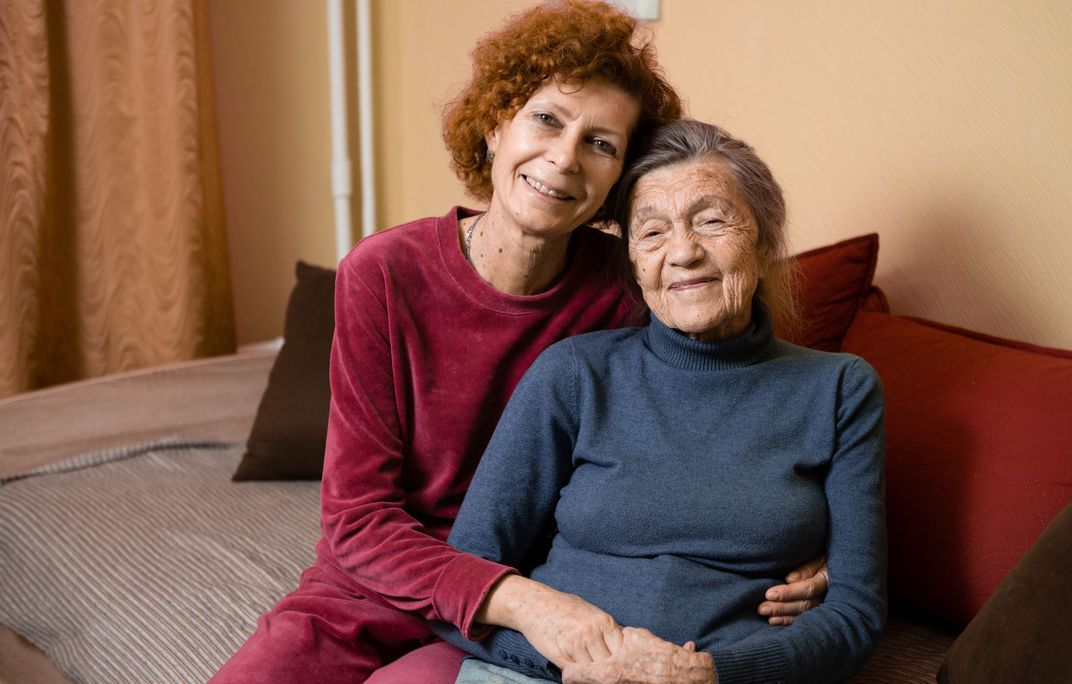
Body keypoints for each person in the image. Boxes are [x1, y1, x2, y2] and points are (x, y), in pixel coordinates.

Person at [211, 3, 825, 683]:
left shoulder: (631, 291)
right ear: (497, 125)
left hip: (548, 572)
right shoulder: (383, 272)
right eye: (546, 119)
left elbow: (732, 398)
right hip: (385, 584)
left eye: (601, 144)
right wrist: (526, 604)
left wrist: (820, 545)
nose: (564, 159)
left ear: (618, 181)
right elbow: (357, 521)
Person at [435, 119, 887, 684]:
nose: (683, 253)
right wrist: (574, 664)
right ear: (632, 259)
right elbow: (456, 584)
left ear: (766, 237)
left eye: (711, 221)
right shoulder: (575, 373)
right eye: (651, 232)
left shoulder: (840, 388)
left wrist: (704, 674)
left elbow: (855, 616)